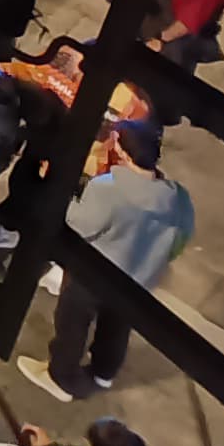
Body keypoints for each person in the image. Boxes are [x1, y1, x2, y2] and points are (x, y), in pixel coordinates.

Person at [50, 120, 194, 394]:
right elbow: (180, 240)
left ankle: (65, 378)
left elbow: (78, 224)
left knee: (72, 325)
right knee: (118, 325)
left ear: (121, 150)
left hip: (93, 275)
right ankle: (104, 373)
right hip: (139, 278)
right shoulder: (178, 197)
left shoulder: (109, 187)